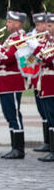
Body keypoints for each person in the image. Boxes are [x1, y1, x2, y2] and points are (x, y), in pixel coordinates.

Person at [0, 11, 27, 159]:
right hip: (5, 83)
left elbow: (7, 58)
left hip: (12, 82)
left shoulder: (20, 38)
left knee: (14, 115)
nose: (7, 24)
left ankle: (18, 148)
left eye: (10, 22)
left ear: (18, 24)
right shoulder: (11, 38)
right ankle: (14, 147)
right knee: (9, 115)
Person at [31, 12, 54, 162]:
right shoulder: (47, 41)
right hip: (45, 83)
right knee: (50, 118)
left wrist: (42, 55)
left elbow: (49, 58)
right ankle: (51, 148)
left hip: (52, 82)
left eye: (50, 26)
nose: (47, 28)